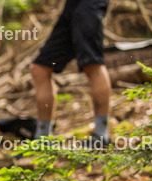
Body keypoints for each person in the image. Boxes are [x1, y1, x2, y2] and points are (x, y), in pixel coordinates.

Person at [29, 0, 112, 145]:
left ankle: (101, 135)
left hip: (89, 4)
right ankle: (42, 139)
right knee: (40, 69)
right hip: (72, 5)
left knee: (92, 63)